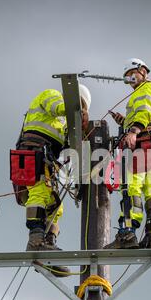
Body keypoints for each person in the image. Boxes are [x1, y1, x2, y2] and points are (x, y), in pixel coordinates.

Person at [17, 85, 91, 260]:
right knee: (39, 193)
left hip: (44, 158)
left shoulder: (62, 123)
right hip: (33, 150)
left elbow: (67, 143)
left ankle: (49, 242)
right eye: (79, 104)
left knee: (55, 204)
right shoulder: (51, 95)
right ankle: (35, 240)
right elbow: (58, 107)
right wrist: (77, 111)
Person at [105, 58, 151, 249]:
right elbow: (147, 115)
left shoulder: (145, 89)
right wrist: (124, 122)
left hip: (143, 142)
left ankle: (127, 234)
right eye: (126, 77)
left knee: (131, 185)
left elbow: (144, 110)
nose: (129, 79)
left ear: (142, 70)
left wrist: (133, 131)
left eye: (131, 74)